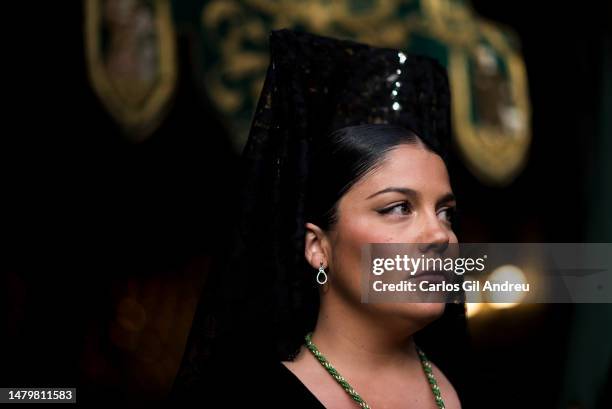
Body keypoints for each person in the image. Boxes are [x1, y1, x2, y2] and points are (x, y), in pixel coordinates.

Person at [171, 28, 467, 408]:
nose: (440, 235)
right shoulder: (249, 397)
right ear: (318, 247)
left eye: (446, 212)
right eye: (397, 208)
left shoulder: (467, 385)